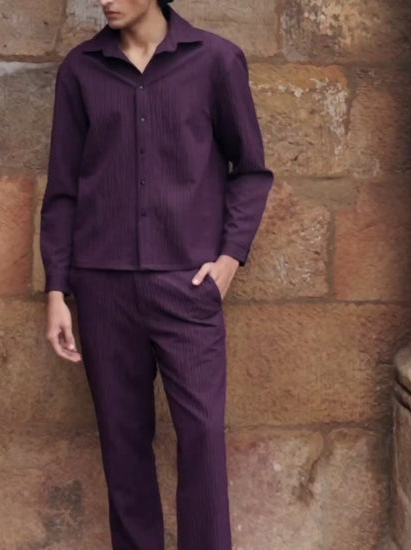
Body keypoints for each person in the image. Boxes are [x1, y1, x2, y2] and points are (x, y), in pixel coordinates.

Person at [40, 0, 274, 548]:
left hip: (188, 287)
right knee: (122, 447)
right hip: (102, 288)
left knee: (202, 438)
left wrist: (229, 259)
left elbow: (251, 171)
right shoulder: (81, 69)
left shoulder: (216, 60)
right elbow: (63, 189)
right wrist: (56, 290)